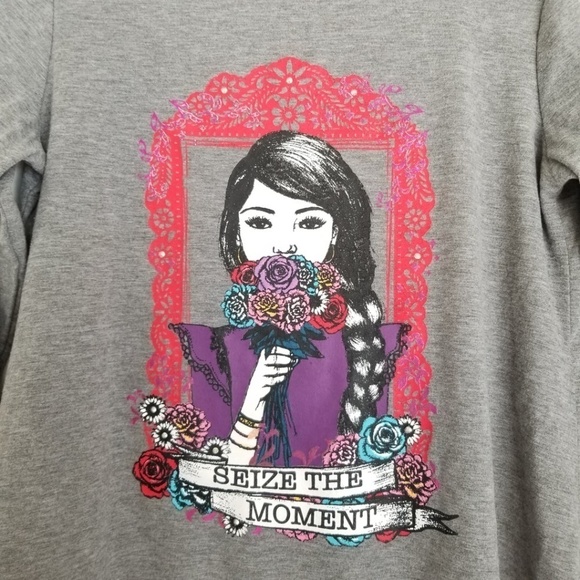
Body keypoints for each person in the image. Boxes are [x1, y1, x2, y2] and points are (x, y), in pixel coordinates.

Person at [169, 130, 410, 466]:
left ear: (336, 232)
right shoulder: (208, 353)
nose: (284, 244)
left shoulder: (382, 347)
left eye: (308, 222)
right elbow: (207, 474)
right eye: (260, 222)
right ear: (235, 233)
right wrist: (254, 397)